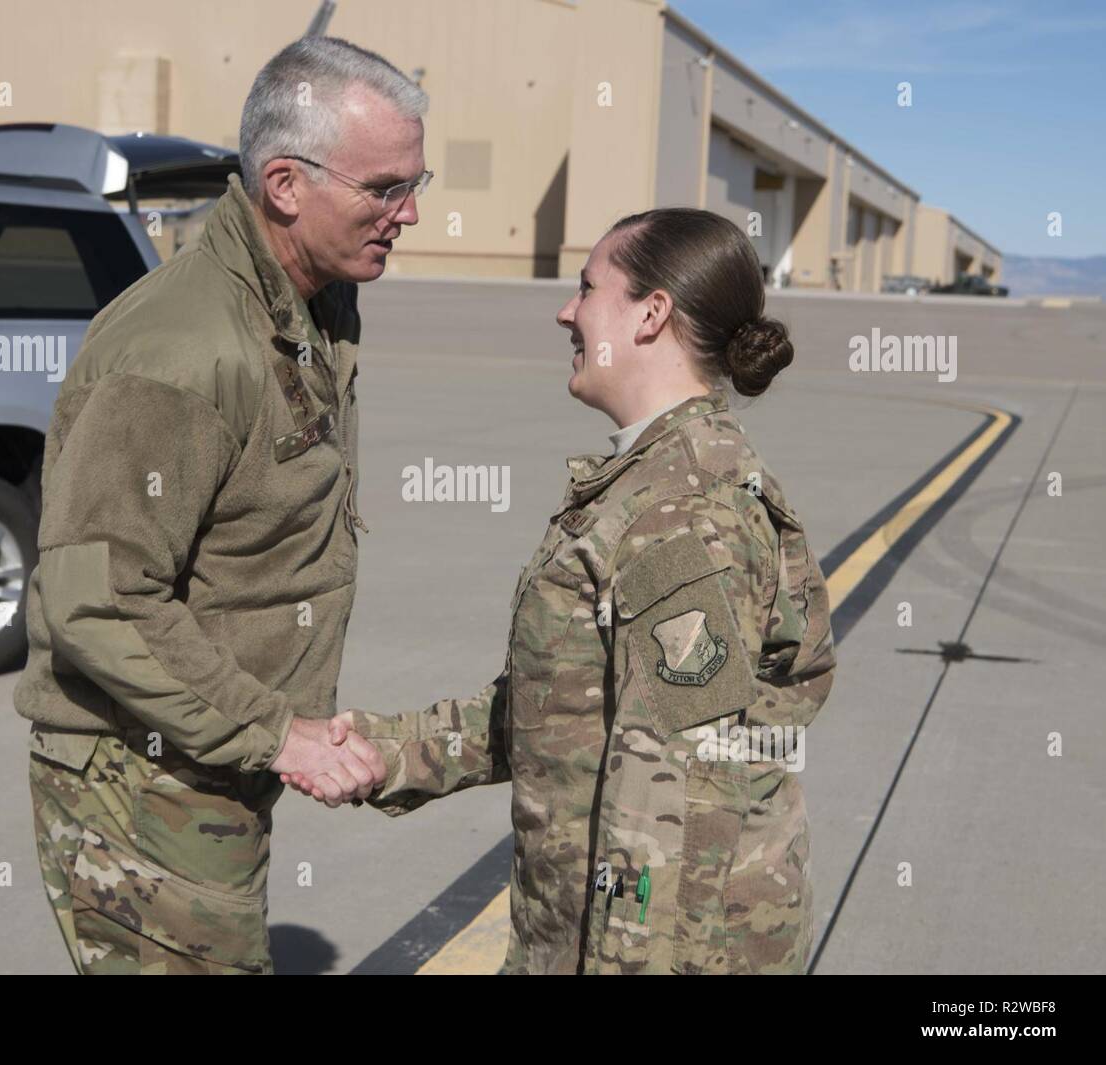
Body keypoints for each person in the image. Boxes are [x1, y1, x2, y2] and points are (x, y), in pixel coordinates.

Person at [287, 207, 837, 974]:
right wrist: (386, 752)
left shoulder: (677, 514)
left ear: (650, 315)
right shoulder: (649, 483)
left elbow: (671, 807)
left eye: (587, 288)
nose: (566, 311)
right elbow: (565, 707)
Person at [16, 36, 432, 974]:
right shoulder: (183, 353)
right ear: (286, 184)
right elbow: (104, 598)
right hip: (141, 777)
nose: (410, 212)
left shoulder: (314, 303)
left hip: (209, 760)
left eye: (418, 180)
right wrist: (278, 730)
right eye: (385, 188)